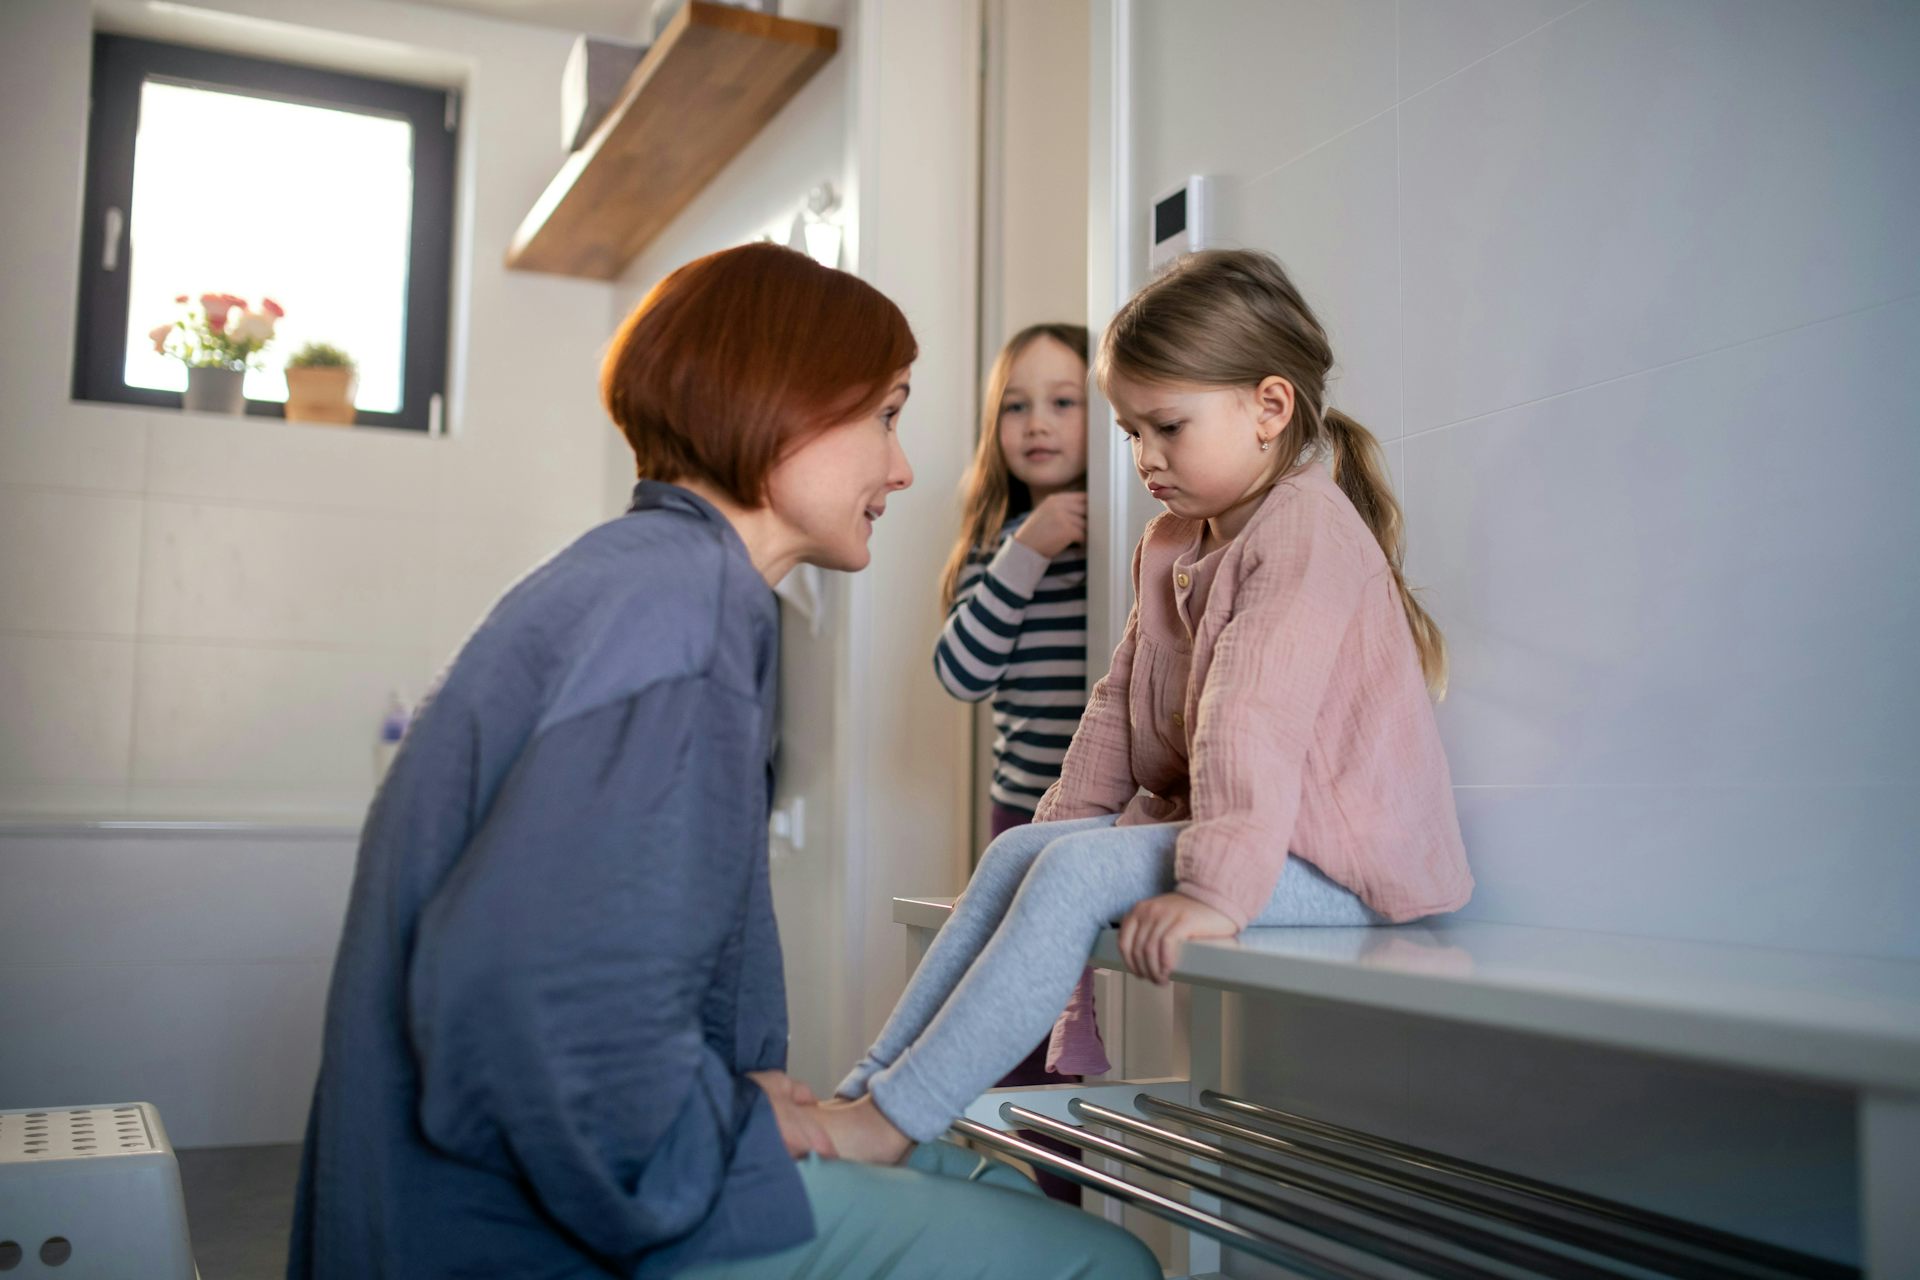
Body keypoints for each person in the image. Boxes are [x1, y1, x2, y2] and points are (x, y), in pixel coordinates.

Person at [287, 242, 1158, 1280]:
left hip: (508, 1185)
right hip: (519, 1230)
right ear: (785, 407)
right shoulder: (683, 612)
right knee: (1104, 1263)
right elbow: (528, 996)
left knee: (996, 1185)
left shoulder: (647, 579)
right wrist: (732, 1125)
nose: (902, 467)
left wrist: (731, 1099)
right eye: (885, 417)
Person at [825, 249, 1473, 1164]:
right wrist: (1059, 830)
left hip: (1347, 862)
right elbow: (1116, 709)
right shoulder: (1177, 541)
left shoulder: (1304, 530)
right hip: (1265, 842)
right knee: (1017, 851)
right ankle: (865, 1089)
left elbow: (1252, 721)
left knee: (1072, 877)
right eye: (1132, 433)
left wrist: (1213, 893)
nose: (1145, 458)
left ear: (1270, 407)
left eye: (1167, 427)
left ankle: (889, 1125)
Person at [931, 323, 1104, 1202]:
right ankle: (1051, 1204)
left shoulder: (1129, 533)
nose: (1037, 422)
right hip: (1020, 823)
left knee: (1100, 1030)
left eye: (1064, 402)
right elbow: (960, 673)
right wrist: (1027, 550)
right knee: (1027, 1029)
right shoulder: (1000, 546)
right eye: (1016, 406)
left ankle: (1093, 1199)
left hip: (1109, 827)